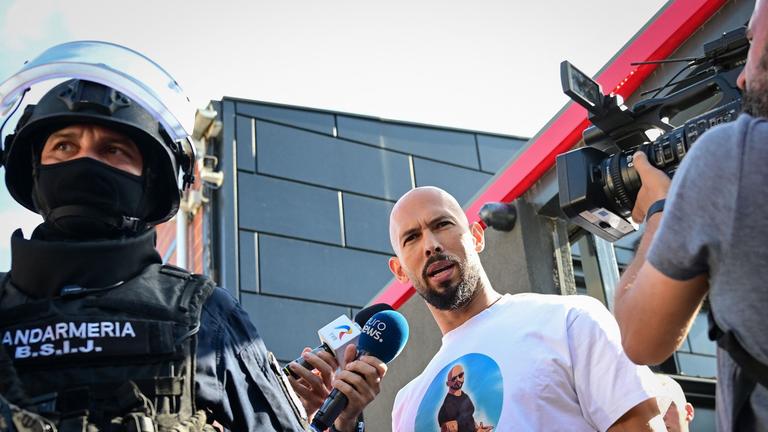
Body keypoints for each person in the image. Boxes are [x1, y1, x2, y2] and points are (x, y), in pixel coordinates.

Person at [0, 77, 384, 432]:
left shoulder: (205, 316)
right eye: (64, 146)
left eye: (112, 149)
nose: (85, 163)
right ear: (34, 169)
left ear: (150, 180)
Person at [388, 186, 662, 432]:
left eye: (442, 224)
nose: (431, 245)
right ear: (400, 271)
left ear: (476, 237)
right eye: (411, 238)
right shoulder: (406, 404)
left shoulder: (569, 321)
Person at [613, 1, 768, 430]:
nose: (739, 77)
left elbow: (640, 339)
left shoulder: (733, 155)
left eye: (751, 43)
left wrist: (661, 209)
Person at [437, 364, 493, 432]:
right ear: (448, 384)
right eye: (454, 378)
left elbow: (469, 419)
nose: (458, 380)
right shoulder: (448, 405)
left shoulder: (464, 396)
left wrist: (478, 429)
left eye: (460, 375)